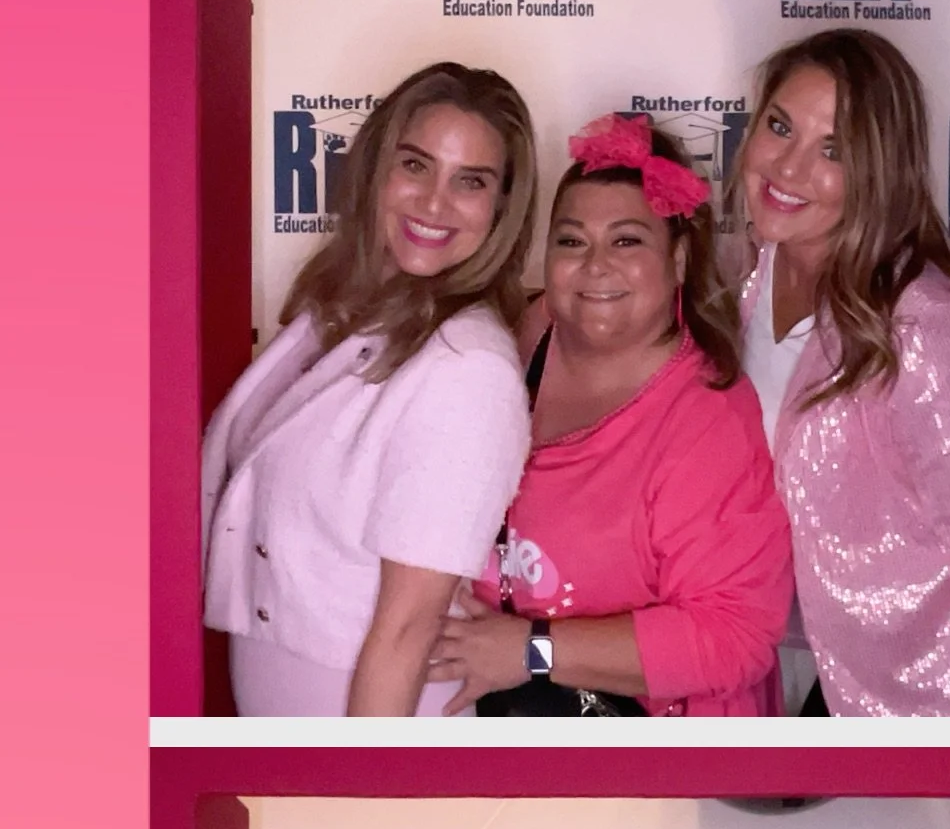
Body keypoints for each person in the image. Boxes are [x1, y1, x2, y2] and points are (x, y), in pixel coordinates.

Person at [426, 115, 794, 719]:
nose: (595, 266)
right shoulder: (528, 336)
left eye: (627, 241)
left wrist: (530, 650)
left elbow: (735, 637)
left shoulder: (709, 420)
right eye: (572, 242)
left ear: (679, 259)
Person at [201, 64, 536, 716]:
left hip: (362, 714)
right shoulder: (339, 309)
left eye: (470, 181)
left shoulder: (468, 369)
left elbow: (408, 628)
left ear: (500, 209)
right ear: (376, 169)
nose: (434, 203)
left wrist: (362, 770)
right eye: (416, 165)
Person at [736, 32, 950, 716]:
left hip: (918, 703)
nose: (788, 166)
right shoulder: (747, 273)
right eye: (779, 126)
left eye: (833, 150)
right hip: (773, 673)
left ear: (878, 172)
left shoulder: (927, 327)